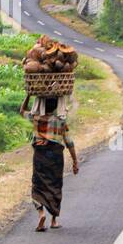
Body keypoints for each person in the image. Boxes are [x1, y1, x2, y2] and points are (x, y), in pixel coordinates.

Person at [19, 92, 79, 231]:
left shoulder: (36, 118)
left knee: (37, 185)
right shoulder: (60, 120)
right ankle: (53, 220)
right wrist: (75, 161)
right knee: (55, 186)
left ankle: (41, 213)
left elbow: (22, 111)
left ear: (42, 105)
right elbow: (69, 142)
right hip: (56, 156)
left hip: (40, 155)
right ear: (55, 106)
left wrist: (28, 96)